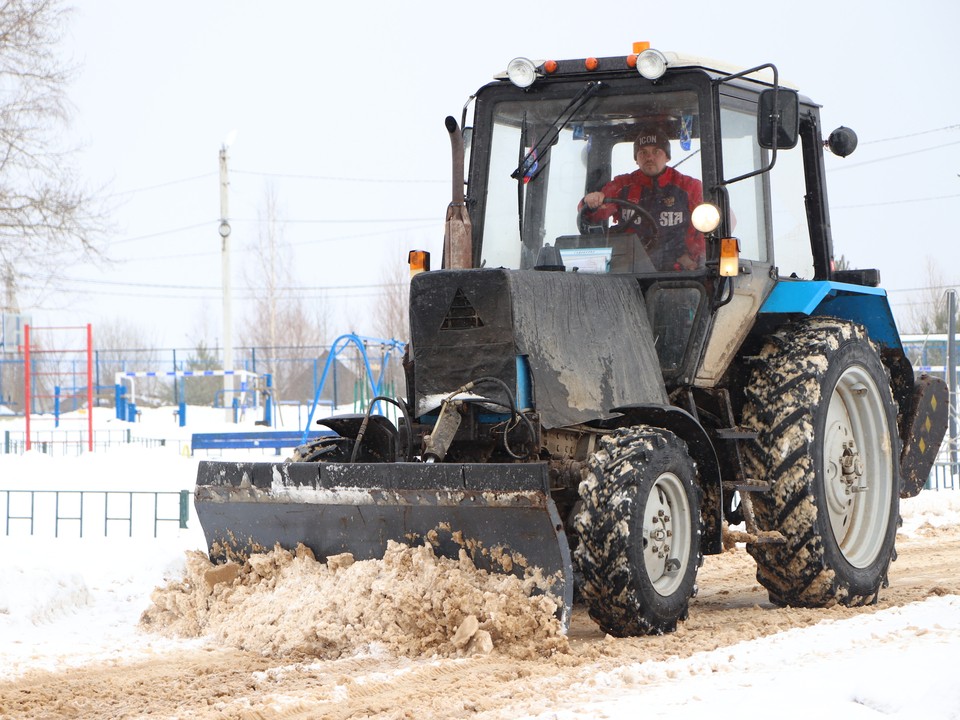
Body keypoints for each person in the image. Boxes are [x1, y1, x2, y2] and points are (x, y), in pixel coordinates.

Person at [580, 126, 705, 270]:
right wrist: (592, 201)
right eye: (643, 153)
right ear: (636, 159)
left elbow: (712, 224)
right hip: (629, 268)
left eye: (656, 152)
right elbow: (593, 213)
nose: (649, 157)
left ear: (667, 156)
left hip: (676, 270)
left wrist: (692, 258)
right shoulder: (622, 185)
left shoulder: (689, 187)